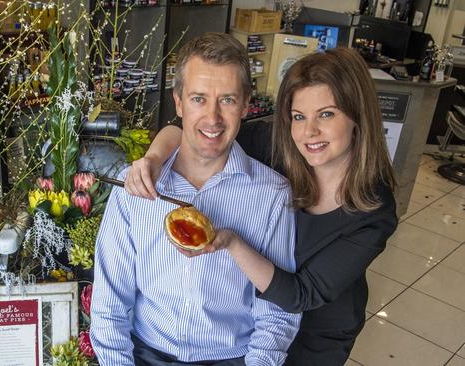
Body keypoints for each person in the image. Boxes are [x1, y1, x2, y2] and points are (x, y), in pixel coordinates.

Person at [125, 47, 398, 366]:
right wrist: (153, 160)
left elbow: (302, 294)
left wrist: (231, 242)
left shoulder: (374, 209)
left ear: (357, 116)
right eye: (299, 116)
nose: (309, 132)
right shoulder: (280, 146)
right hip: (257, 324)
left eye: (327, 114)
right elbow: (194, 132)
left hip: (317, 330)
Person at [90, 33, 301, 366]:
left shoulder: (272, 195)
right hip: (146, 353)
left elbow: (275, 314)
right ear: (178, 102)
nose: (213, 118)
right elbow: (109, 302)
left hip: (231, 358)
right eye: (199, 99)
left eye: (227, 100)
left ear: (246, 103)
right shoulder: (134, 188)